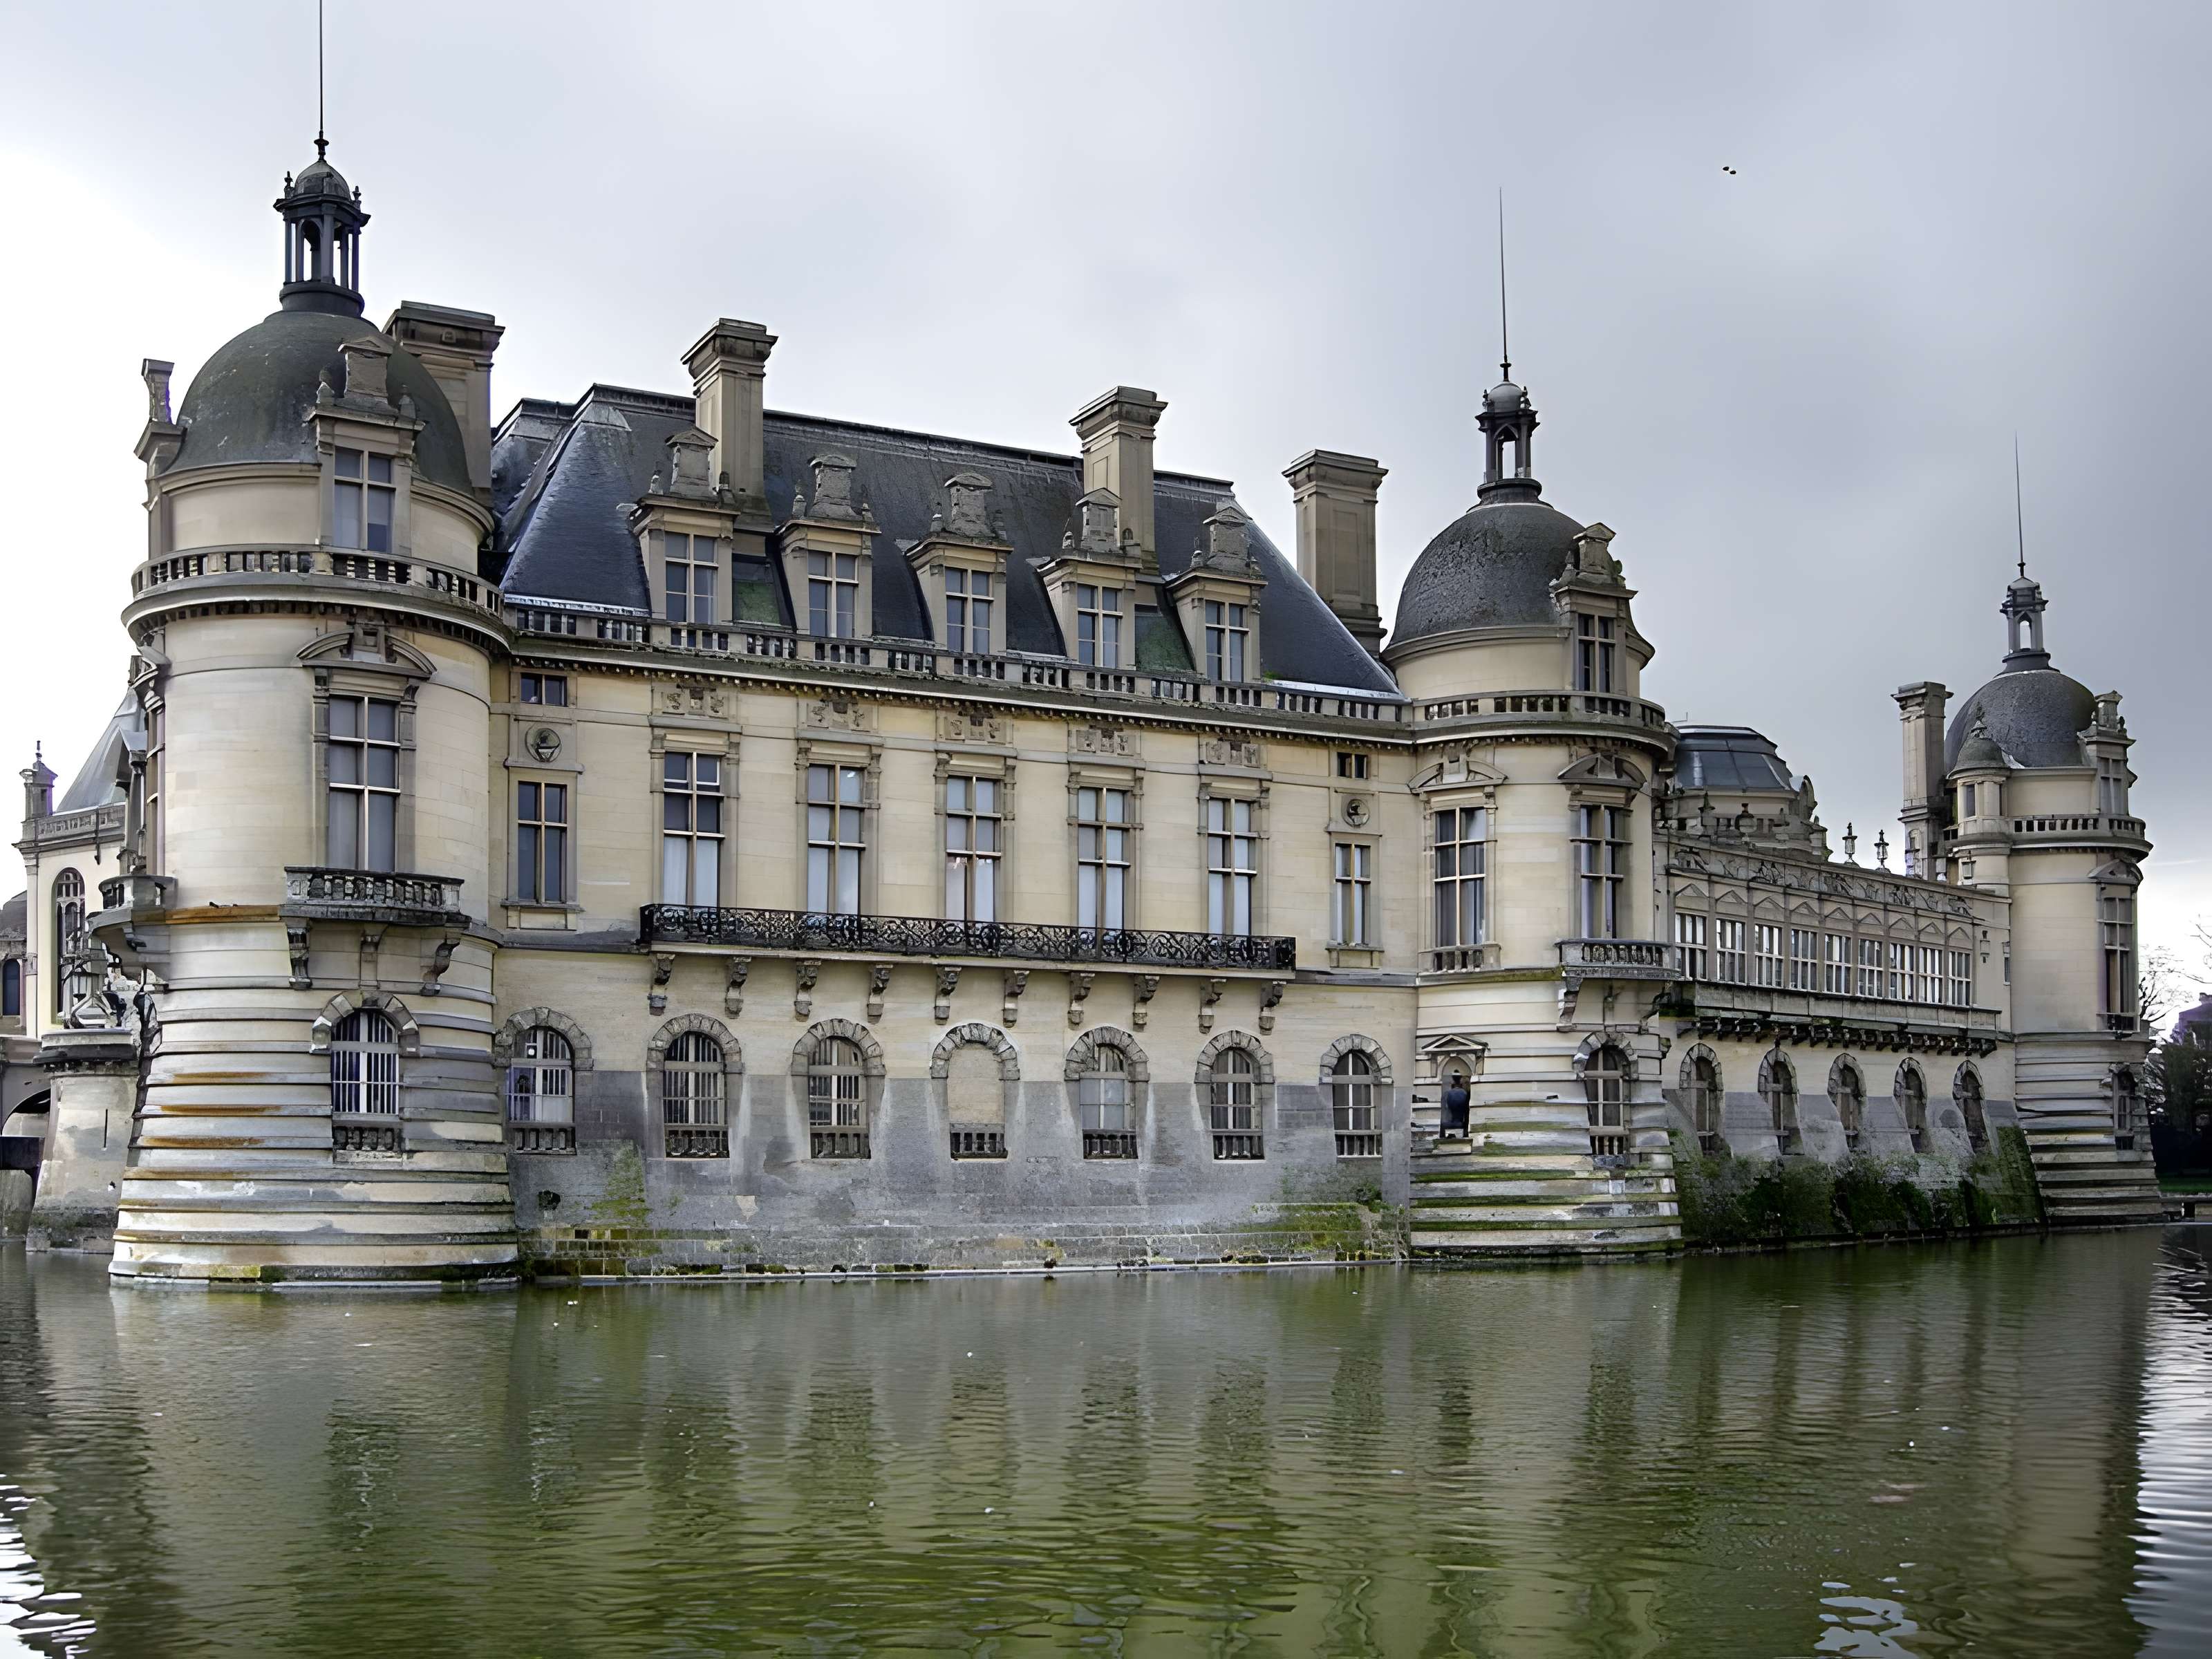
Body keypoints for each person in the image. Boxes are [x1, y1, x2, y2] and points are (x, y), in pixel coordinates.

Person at [1441, 1074, 1471, 1138]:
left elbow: (1447, 1108)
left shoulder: (1449, 1094)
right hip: (1461, 1123)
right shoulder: (1464, 1094)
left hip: (1456, 1122)